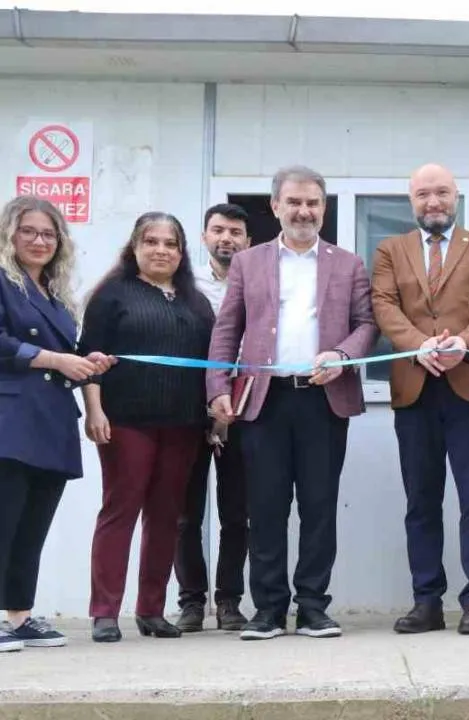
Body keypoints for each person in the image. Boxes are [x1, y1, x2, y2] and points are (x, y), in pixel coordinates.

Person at [207, 166, 378, 641]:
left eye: (313, 203)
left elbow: (367, 325)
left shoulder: (349, 263)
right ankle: (267, 609)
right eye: (295, 202)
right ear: (276, 206)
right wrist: (217, 387)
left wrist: (342, 355)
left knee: (319, 507)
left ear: (324, 208)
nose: (304, 211)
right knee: (265, 508)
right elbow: (227, 329)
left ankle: (313, 607)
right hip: (264, 402)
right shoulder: (249, 262)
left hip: (324, 401)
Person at [371, 163, 469, 635]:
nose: (433, 202)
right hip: (415, 389)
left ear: (456, 197)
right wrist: (420, 346)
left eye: (442, 193)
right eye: (424, 194)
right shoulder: (390, 250)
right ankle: (426, 601)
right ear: (411, 200)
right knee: (421, 500)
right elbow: (384, 305)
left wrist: (462, 344)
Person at [80, 212, 216, 642]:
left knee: (166, 516)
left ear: (182, 251)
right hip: (126, 421)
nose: (161, 250)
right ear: (134, 247)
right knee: (120, 510)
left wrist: (213, 417)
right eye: (151, 242)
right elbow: (89, 358)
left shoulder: (196, 302)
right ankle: (105, 612)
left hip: (184, 425)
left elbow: (211, 364)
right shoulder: (111, 294)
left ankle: (151, 611)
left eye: (170, 243)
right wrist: (95, 411)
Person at [0, 197, 111, 652]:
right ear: (10, 234)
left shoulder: (56, 292)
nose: (39, 241)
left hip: (52, 420)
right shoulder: (3, 281)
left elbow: (68, 354)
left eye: (49, 233)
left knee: (32, 525)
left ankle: (19, 616)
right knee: (4, 520)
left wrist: (86, 361)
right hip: (11, 418)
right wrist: (53, 359)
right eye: (28, 231)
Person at [175, 203, 251, 633]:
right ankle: (190, 602)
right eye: (218, 230)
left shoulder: (257, 283)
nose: (227, 239)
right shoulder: (184, 285)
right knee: (185, 514)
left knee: (236, 513)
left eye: (236, 232)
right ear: (204, 237)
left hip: (241, 411)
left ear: (248, 241)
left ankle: (229, 601)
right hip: (190, 410)